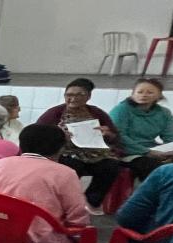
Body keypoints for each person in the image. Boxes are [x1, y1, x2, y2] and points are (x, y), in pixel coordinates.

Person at [0, 125, 90, 243]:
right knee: (85, 239)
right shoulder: (65, 173)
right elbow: (78, 218)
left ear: (21, 144)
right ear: (60, 148)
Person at [35, 77, 123, 211]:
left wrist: (108, 134)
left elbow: (115, 137)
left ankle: (92, 201)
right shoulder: (55, 113)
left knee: (111, 166)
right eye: (69, 95)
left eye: (79, 95)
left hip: (95, 153)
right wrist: (58, 134)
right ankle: (64, 202)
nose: (73, 98)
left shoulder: (96, 113)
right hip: (65, 152)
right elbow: (37, 133)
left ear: (88, 96)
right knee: (72, 166)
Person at [110, 77, 173, 181]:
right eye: (140, 92)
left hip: (153, 150)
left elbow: (171, 136)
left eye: (150, 92)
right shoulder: (121, 110)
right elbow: (119, 136)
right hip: (126, 152)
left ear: (159, 96)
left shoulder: (164, 112)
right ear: (133, 93)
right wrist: (146, 152)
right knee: (151, 165)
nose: (144, 95)